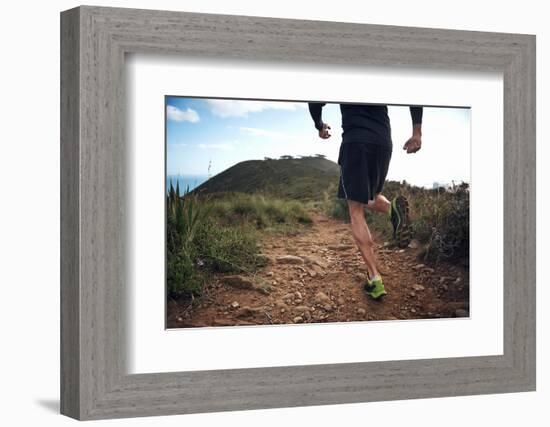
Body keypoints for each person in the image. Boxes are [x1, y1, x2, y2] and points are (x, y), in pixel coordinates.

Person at [308, 102, 423, 300]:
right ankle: (391, 208)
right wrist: (417, 133)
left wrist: (319, 125)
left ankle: (374, 278)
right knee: (372, 196)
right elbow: (414, 95)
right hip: (383, 142)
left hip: (356, 142)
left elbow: (314, 100)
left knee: (355, 210)